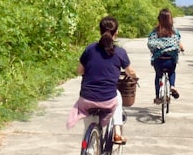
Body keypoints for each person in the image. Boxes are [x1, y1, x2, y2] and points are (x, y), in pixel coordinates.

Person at [66, 16, 137, 144]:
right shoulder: (120, 52)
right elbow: (130, 72)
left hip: (86, 99)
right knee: (118, 97)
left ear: (100, 31)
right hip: (107, 100)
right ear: (116, 32)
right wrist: (134, 77)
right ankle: (117, 133)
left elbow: (79, 71)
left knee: (88, 128)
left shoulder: (90, 49)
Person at [147, 8, 184, 102]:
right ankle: (172, 86)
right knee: (171, 72)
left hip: (158, 61)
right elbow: (179, 43)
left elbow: (150, 43)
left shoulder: (155, 31)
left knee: (158, 76)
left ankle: (157, 97)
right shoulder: (174, 32)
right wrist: (182, 48)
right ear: (171, 19)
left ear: (159, 19)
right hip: (170, 61)